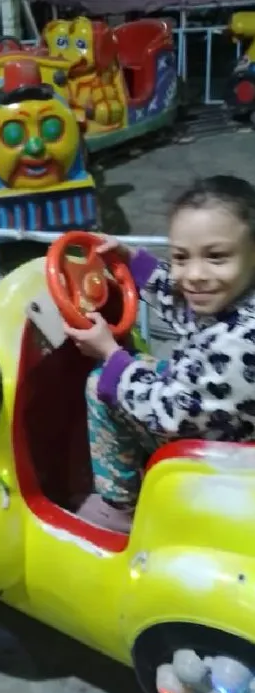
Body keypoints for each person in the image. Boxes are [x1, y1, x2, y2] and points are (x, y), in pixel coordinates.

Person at [64, 175, 255, 533]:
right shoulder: (236, 300)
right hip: (215, 410)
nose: (194, 275)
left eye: (216, 257)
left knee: (99, 386)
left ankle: (118, 505)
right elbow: (183, 303)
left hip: (217, 448)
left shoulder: (242, 341)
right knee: (146, 366)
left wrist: (111, 356)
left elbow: (170, 414)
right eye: (181, 257)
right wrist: (130, 260)